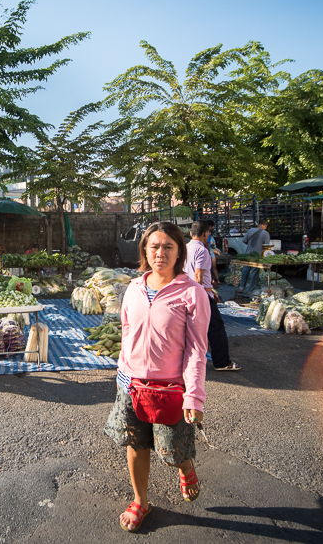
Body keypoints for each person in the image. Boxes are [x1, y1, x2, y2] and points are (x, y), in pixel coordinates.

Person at [104, 221, 211, 533]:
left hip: (170, 388)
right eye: (154, 246)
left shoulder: (192, 293)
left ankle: (186, 468)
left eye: (168, 246)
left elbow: (196, 350)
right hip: (132, 384)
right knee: (135, 444)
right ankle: (141, 501)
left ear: (179, 252)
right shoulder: (134, 289)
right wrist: (124, 370)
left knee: (172, 449)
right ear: (144, 250)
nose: (160, 252)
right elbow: (127, 333)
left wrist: (194, 395)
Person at [185, 220, 240, 371]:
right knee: (216, 328)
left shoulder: (184, 248)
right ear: (206, 234)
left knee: (189, 329)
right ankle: (222, 362)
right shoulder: (202, 251)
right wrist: (203, 295)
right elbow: (198, 276)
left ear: (191, 234)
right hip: (200, 296)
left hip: (186, 294)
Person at [237, 220, 270, 294]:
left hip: (248, 255)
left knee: (245, 271)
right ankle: (251, 289)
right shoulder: (265, 233)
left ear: (258, 224)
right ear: (266, 226)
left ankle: (241, 288)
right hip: (257, 256)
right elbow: (266, 246)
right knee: (254, 272)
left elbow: (244, 241)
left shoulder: (250, 230)